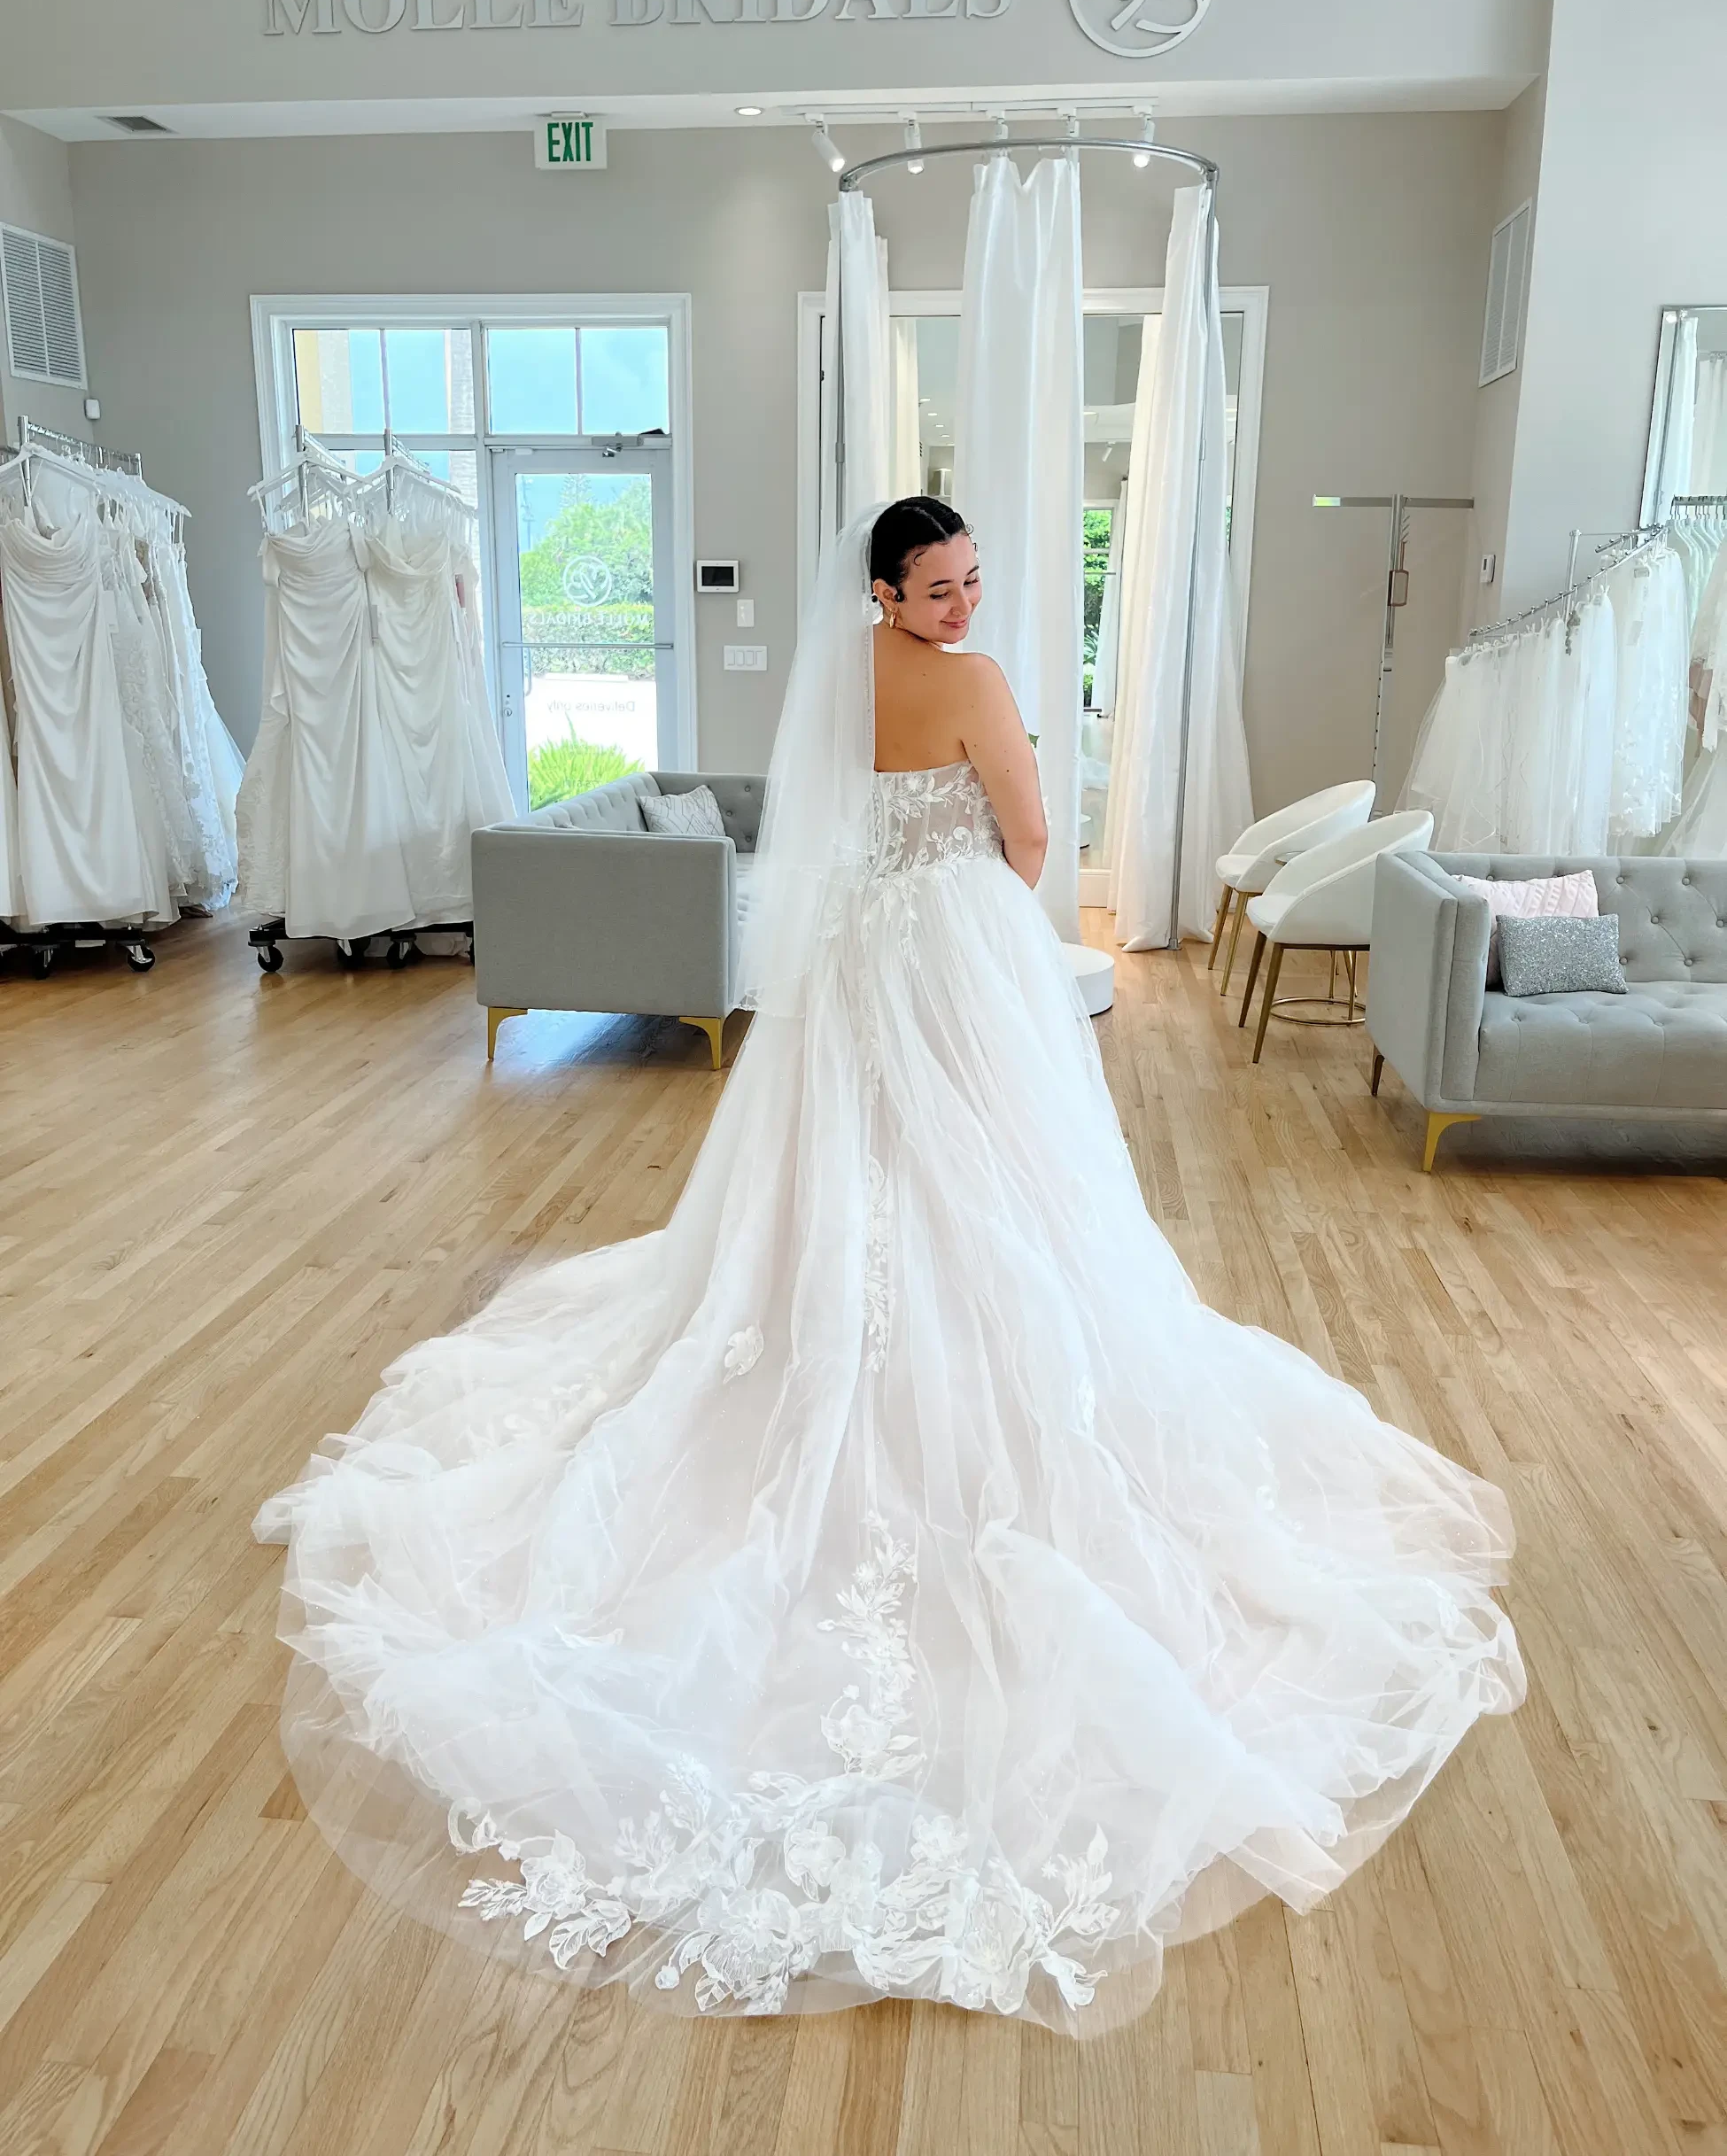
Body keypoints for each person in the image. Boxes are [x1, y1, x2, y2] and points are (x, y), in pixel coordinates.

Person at [256, 496, 1523, 2036]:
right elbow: (1035, 835)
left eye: (970, 582)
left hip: (857, 959)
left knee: (843, 1179)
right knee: (1004, 1185)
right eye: (936, 586)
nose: (958, 602)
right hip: (959, 946)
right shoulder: (980, 686)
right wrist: (995, 846)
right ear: (886, 585)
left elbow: (822, 826)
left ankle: (831, 1338)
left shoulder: (835, 673)